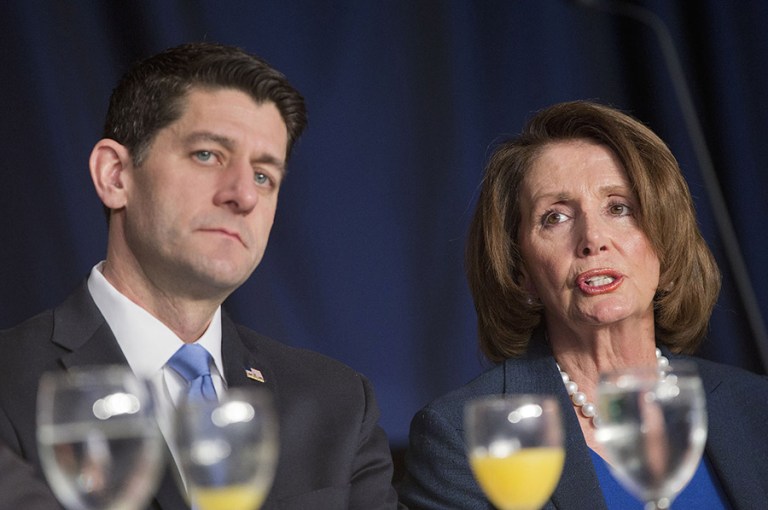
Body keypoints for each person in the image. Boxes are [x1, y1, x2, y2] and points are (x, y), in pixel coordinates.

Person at [0, 42, 402, 510]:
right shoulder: (10, 382)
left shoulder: (338, 404)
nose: (243, 196)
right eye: (208, 155)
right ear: (115, 176)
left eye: (263, 176)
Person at [397, 100, 768, 509]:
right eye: (555, 217)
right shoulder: (462, 438)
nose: (593, 238)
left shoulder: (755, 408)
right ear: (520, 268)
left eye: (619, 208)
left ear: (666, 242)